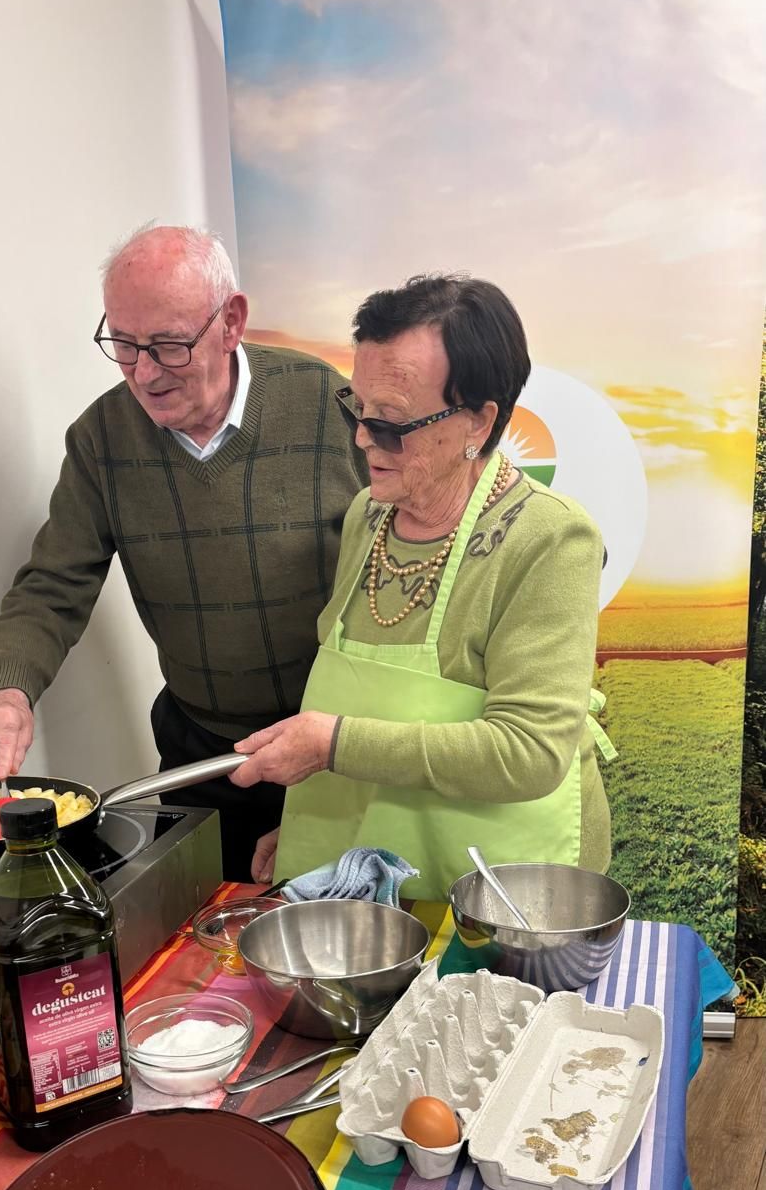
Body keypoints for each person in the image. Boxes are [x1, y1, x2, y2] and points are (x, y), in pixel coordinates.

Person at [0, 225, 367, 879]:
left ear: (231, 322)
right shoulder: (102, 439)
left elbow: (403, 571)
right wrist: (7, 692)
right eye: (122, 344)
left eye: (169, 346)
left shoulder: (327, 405)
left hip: (334, 743)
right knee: (210, 949)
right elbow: (55, 584)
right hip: (204, 754)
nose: (143, 373)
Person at [229, 273, 612, 901]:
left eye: (391, 423)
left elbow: (528, 751)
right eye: (358, 410)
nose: (362, 439)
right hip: (380, 872)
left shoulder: (550, 539)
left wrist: (331, 744)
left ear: (478, 423)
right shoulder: (368, 517)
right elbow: (374, 724)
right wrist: (306, 826)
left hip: (503, 893)